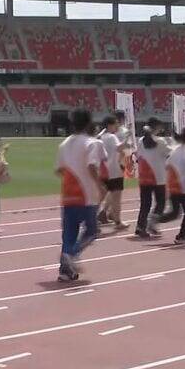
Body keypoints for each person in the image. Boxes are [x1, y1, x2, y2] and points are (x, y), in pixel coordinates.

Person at [54, 109, 106, 281]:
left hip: (68, 194)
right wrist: (99, 186)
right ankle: (73, 253)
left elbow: (60, 170)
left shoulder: (64, 144)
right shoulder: (93, 143)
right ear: (89, 123)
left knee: (68, 234)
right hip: (86, 195)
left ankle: (64, 271)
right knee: (92, 231)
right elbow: (92, 166)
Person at [158, 127, 185, 246]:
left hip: (174, 185)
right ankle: (182, 236)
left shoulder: (174, 150)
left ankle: (155, 220)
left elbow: (167, 166)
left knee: (175, 212)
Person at [133, 124, 169, 239]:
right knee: (161, 202)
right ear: (156, 129)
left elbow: (138, 157)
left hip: (144, 175)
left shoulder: (140, 142)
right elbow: (169, 154)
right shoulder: (161, 142)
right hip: (158, 177)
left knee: (145, 204)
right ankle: (152, 223)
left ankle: (140, 226)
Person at [97, 115, 127, 229]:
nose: (117, 126)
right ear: (110, 125)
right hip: (114, 170)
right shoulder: (111, 137)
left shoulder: (99, 137)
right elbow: (119, 149)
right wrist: (127, 140)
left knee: (100, 197)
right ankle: (118, 221)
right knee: (116, 198)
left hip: (103, 170)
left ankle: (91, 217)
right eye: (115, 124)